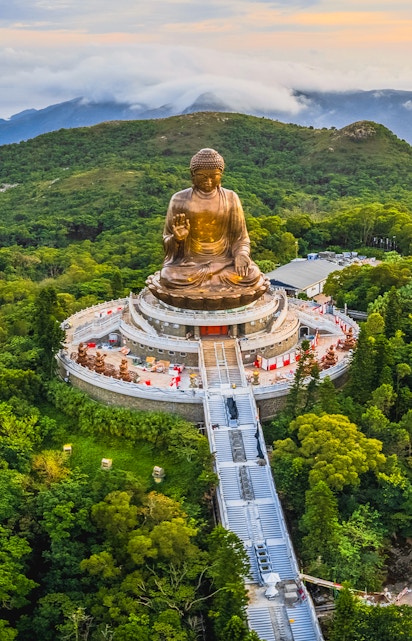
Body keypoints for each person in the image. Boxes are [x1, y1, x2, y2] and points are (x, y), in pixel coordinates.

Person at [147, 148, 268, 310]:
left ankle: (213, 281)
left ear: (221, 175)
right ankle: (212, 284)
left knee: (251, 274)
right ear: (192, 174)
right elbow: (167, 242)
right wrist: (177, 239)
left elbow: (241, 238)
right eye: (202, 177)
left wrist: (241, 254)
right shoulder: (179, 200)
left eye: (213, 176)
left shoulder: (231, 198)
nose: (208, 181)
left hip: (224, 262)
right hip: (190, 264)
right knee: (169, 277)